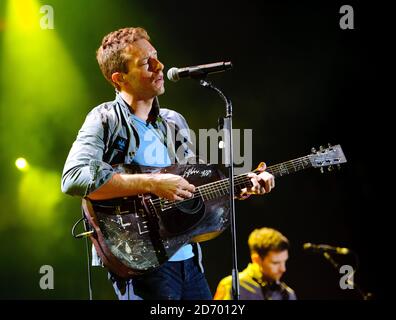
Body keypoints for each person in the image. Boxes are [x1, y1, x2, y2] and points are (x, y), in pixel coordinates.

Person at [61, 27, 275, 300]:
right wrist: (154, 183)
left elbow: (196, 188)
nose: (159, 66)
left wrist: (240, 186)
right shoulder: (105, 119)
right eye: (144, 62)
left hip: (188, 259)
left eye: (156, 56)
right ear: (120, 78)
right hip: (143, 264)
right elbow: (74, 177)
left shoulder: (174, 121)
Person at [214, 227, 296, 300]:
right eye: (275, 263)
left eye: (284, 261)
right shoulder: (231, 285)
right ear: (256, 259)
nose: (283, 269)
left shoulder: (288, 294)